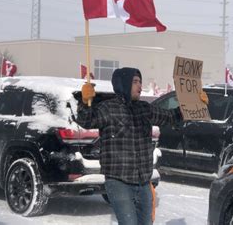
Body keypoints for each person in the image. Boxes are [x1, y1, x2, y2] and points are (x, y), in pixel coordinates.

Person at [76, 67, 209, 225]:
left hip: (143, 182)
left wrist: (194, 104)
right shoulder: (108, 108)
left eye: (140, 82)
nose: (140, 86)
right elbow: (87, 121)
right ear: (123, 84)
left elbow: (170, 117)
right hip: (119, 181)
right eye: (135, 82)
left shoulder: (144, 108)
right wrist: (85, 103)